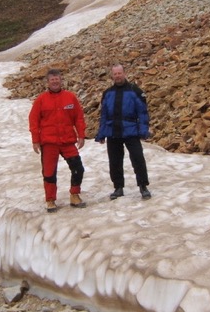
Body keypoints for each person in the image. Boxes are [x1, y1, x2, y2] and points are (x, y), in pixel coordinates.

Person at [28, 68, 88, 213]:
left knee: (78, 168)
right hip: (49, 143)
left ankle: (74, 194)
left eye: (57, 79)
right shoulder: (41, 100)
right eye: (52, 80)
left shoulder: (70, 98)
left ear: (61, 80)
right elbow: (33, 121)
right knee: (49, 173)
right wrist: (35, 140)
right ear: (47, 83)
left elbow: (78, 118)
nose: (55, 82)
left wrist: (81, 135)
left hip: (67, 141)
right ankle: (50, 200)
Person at [95, 63, 152, 200]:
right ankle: (118, 187)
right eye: (115, 74)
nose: (117, 76)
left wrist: (143, 130)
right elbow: (104, 115)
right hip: (113, 131)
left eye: (119, 73)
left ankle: (143, 186)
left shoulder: (135, 91)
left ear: (124, 73)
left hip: (131, 131)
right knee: (114, 161)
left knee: (138, 158)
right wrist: (101, 133)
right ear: (112, 76)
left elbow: (143, 113)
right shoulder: (107, 93)